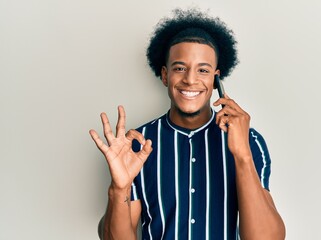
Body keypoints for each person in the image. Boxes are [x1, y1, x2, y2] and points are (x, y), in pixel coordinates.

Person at [90, 8, 285, 240]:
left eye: (203, 70)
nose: (190, 79)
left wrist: (242, 155)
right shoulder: (136, 145)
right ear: (165, 75)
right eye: (180, 68)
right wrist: (119, 189)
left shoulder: (249, 141)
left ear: (215, 79)